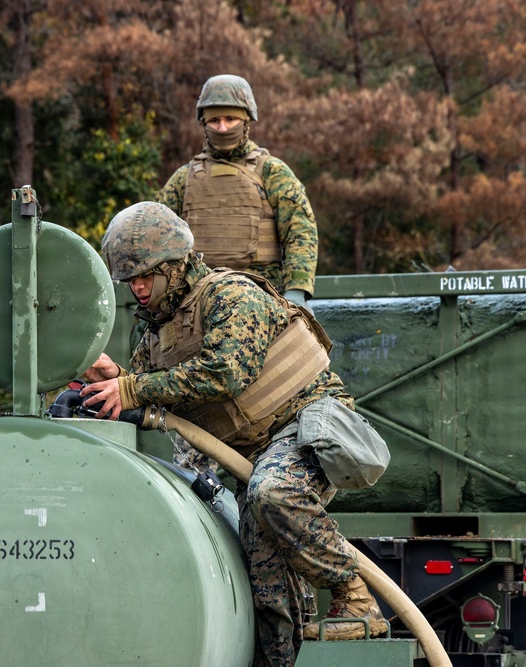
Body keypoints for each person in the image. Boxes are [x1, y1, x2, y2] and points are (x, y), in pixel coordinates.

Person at [80, 201, 388, 666]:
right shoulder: (155, 337)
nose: (138, 288)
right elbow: (152, 393)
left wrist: (130, 385)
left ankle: (357, 596)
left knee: (274, 494)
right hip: (255, 453)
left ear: (174, 265)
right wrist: (115, 377)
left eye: (145, 275)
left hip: (302, 425)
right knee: (268, 592)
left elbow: (227, 372)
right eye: (130, 281)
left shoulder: (230, 294)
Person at [156, 73, 320, 474]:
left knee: (269, 414)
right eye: (214, 120)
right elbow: (157, 238)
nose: (223, 127)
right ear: (203, 122)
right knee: (199, 428)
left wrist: (297, 292)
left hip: (261, 310)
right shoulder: (183, 181)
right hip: (201, 313)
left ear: (247, 120)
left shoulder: (272, 173)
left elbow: (301, 229)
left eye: (230, 119)